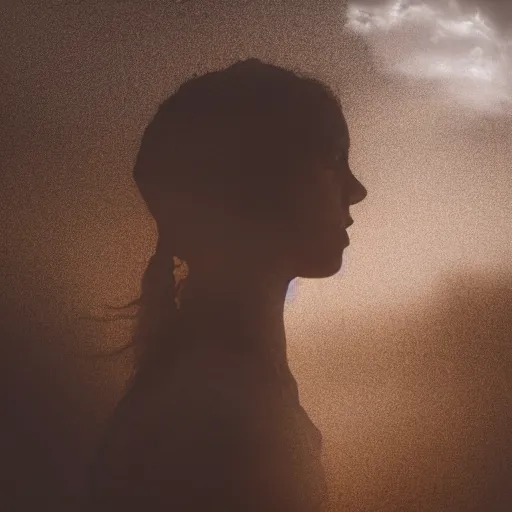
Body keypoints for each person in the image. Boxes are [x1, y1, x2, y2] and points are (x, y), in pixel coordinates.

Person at [83, 58, 367, 511]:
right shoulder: (215, 418)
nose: (356, 190)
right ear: (257, 180)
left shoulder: (219, 385)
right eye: (334, 160)